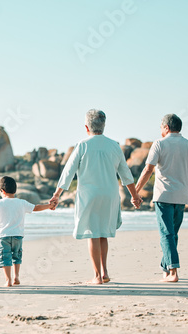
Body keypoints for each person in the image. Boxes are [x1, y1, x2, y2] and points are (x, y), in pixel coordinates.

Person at [49, 109, 141, 284]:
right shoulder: (114, 145)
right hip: (110, 195)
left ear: (86, 127)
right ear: (104, 125)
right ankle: (105, 272)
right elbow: (126, 174)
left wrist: (57, 195)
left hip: (89, 196)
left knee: (93, 234)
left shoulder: (82, 145)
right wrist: (134, 196)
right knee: (103, 234)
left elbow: (68, 172)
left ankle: (97, 276)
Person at [135, 114, 188, 282]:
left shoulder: (159, 144)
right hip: (181, 197)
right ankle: (166, 268)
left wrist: (135, 191)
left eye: (160, 127)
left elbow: (148, 169)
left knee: (167, 234)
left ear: (166, 127)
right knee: (172, 235)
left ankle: (173, 272)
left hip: (163, 196)